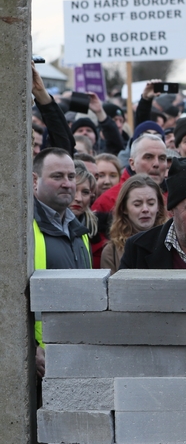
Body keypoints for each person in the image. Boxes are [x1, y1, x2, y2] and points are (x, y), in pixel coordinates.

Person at [32, 148, 93, 374]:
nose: (67, 184)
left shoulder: (80, 232)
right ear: (34, 180)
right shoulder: (24, 230)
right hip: (40, 360)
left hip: (77, 355)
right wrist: (30, 348)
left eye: (70, 177)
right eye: (57, 177)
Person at [101, 175, 168, 274]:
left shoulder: (173, 243)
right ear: (124, 208)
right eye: (137, 204)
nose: (145, 209)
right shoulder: (111, 251)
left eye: (151, 203)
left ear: (159, 206)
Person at [91, 134, 168, 214]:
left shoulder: (177, 199)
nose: (156, 164)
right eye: (148, 157)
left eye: (162, 158)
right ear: (132, 163)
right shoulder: (107, 202)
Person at [70, 161, 107, 269]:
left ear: (92, 196)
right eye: (74, 190)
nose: (78, 198)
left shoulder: (104, 231)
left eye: (85, 192)